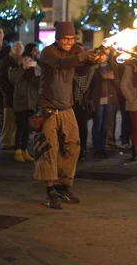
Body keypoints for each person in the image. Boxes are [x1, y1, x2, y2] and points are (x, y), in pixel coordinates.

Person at [34, 21, 103, 209]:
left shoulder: (76, 50)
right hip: (48, 109)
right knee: (48, 149)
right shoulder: (48, 52)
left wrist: (94, 61)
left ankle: (63, 187)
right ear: (57, 39)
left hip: (67, 108)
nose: (68, 42)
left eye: (71, 38)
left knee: (73, 146)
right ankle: (49, 192)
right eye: (65, 38)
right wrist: (83, 56)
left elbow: (81, 69)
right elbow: (62, 63)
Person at [10, 52, 40, 162]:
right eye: (25, 60)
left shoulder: (35, 71)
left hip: (31, 102)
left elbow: (39, 84)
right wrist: (23, 69)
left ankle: (24, 150)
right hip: (20, 102)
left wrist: (36, 69)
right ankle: (17, 150)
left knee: (28, 128)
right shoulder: (17, 70)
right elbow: (13, 80)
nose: (27, 62)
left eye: (29, 60)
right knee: (20, 126)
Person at [90, 54, 119, 159]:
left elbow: (118, 83)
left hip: (109, 99)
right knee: (97, 123)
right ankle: (96, 148)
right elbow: (91, 82)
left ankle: (102, 147)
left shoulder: (112, 67)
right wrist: (101, 77)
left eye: (105, 55)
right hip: (98, 99)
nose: (103, 57)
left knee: (106, 125)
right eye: (101, 55)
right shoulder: (94, 68)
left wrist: (112, 78)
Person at [0, 41, 21, 150]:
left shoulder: (23, 61)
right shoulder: (6, 62)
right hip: (9, 95)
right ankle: (5, 141)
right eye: (15, 46)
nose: (17, 48)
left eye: (19, 47)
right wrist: (7, 92)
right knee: (8, 120)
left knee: (17, 121)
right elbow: (3, 80)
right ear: (11, 49)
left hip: (21, 97)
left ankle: (14, 141)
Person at [72, 61, 97, 161]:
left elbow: (94, 89)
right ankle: (73, 149)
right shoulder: (72, 72)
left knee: (83, 128)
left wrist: (89, 99)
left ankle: (82, 149)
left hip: (84, 105)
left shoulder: (90, 72)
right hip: (73, 104)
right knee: (73, 128)